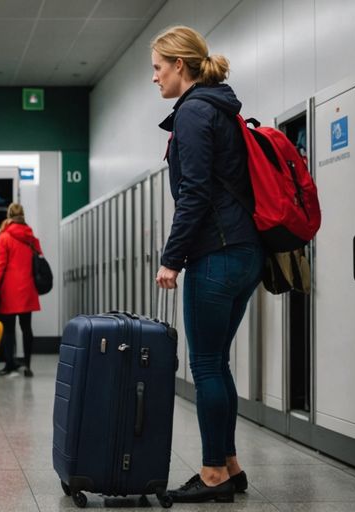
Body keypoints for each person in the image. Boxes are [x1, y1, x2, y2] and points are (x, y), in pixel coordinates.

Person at [152, 26, 261, 503]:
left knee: (206, 365)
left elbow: (194, 194)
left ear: (180, 65)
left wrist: (171, 259)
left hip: (215, 256)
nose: (154, 78)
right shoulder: (220, 107)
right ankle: (231, 464)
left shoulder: (194, 114)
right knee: (218, 363)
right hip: (243, 252)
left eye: (158, 68)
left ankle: (214, 471)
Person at [0, 203, 40, 378]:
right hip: (28, 288)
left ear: (9, 215)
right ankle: (28, 365)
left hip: (9, 289)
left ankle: (10, 365)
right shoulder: (31, 236)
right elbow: (38, 257)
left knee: (8, 330)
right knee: (26, 328)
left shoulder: (5, 237)